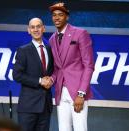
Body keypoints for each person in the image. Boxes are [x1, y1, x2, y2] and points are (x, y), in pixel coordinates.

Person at [47, 1, 94, 131]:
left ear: (67, 17)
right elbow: (58, 68)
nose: (56, 17)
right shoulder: (52, 39)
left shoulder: (80, 33)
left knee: (80, 128)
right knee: (63, 128)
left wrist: (81, 93)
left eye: (60, 14)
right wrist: (51, 79)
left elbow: (89, 66)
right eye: (54, 15)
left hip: (77, 92)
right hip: (60, 92)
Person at [12, 18, 53, 131]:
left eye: (38, 26)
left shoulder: (50, 49)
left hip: (45, 106)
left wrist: (51, 80)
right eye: (32, 27)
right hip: (28, 107)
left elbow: (54, 72)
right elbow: (17, 75)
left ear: (43, 28)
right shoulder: (23, 50)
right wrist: (40, 81)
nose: (36, 29)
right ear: (28, 30)